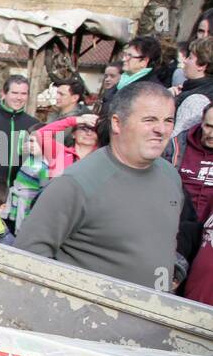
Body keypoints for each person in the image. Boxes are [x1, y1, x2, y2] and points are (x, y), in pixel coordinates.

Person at [15, 81, 185, 289]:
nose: (161, 129)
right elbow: (28, 258)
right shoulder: (75, 184)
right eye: (149, 120)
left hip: (154, 315)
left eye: (168, 121)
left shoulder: (171, 177)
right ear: (117, 123)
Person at [167, 103, 213, 225]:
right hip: (176, 223)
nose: (212, 135)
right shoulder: (174, 147)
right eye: (209, 126)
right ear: (201, 122)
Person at [34, 111, 98, 178]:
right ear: (73, 134)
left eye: (94, 130)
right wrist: (73, 120)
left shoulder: (103, 156)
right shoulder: (60, 152)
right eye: (83, 128)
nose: (89, 133)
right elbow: (39, 134)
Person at [173, 37, 213, 137]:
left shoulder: (197, 100)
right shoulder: (193, 88)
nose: (185, 61)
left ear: (202, 65)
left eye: (190, 57)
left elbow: (177, 140)